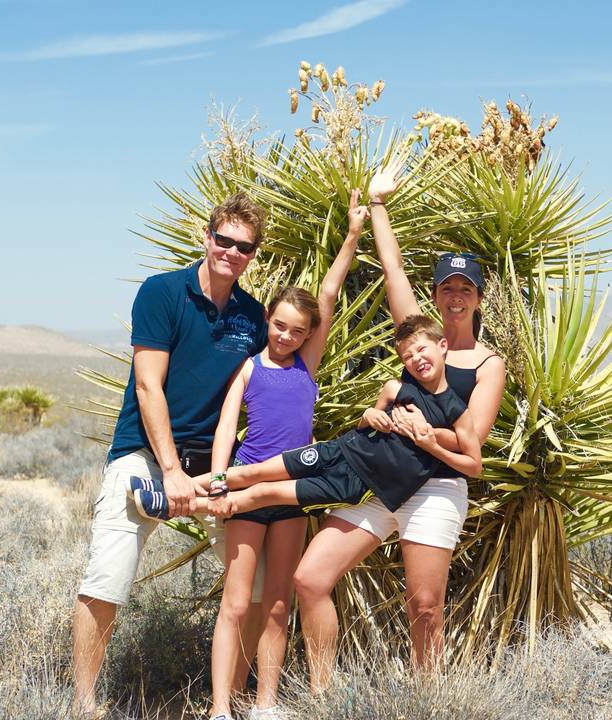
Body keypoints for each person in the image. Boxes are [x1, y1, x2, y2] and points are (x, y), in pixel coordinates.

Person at [288, 155, 507, 692]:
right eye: (447, 288)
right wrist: (377, 203)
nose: (456, 297)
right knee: (310, 578)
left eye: (466, 289)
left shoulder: (488, 364)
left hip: (436, 486)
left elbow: (471, 439)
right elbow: (394, 271)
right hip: (380, 476)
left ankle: (427, 698)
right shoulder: (420, 338)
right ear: (435, 297)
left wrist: (421, 431)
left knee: (425, 606)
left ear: (479, 299)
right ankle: (322, 696)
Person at [71, 193, 268, 718]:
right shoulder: (162, 293)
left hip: (214, 464)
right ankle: (84, 704)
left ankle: (235, 698)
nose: (231, 252)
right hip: (145, 453)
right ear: (207, 237)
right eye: (223, 240)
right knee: (107, 576)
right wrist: (172, 471)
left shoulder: (253, 317)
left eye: (244, 247)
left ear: (253, 255)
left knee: (257, 584)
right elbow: (148, 386)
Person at [202, 191, 365, 720]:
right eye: (279, 325)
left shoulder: (306, 365)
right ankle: (220, 709)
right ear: (267, 319)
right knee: (236, 602)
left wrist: (352, 235)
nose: (287, 336)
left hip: (294, 494)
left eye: (298, 331)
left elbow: (329, 291)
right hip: (249, 491)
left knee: (277, 603)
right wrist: (219, 479)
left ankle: (266, 705)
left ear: (309, 334)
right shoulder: (250, 367)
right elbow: (227, 426)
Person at [131, 315, 482, 523]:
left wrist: (431, 444)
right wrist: (370, 415)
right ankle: (170, 488)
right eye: (407, 355)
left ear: (442, 347)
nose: (416, 359)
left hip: (354, 484)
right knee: (253, 472)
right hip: (338, 450)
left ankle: (172, 506)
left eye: (421, 350)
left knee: (264, 492)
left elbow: (474, 465)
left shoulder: (457, 411)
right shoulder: (395, 388)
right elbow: (367, 423)